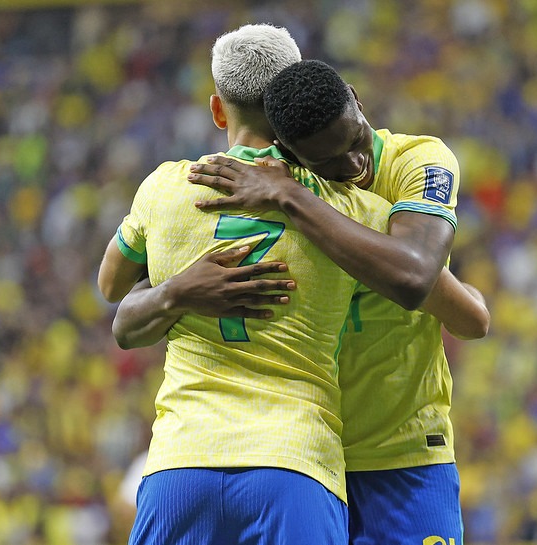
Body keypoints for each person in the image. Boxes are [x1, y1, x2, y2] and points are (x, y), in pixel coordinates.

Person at [99, 24, 395, 545]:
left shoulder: (165, 189)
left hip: (179, 465)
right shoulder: (352, 213)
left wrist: (175, 281)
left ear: (218, 110)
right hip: (294, 462)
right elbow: (436, 290)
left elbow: (110, 286)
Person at [186, 59, 489, 545]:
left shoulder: (418, 161)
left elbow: (412, 278)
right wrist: (172, 293)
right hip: (301, 459)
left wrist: (291, 198)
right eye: (328, 161)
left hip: (405, 454)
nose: (352, 164)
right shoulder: (258, 189)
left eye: (355, 139)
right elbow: (124, 298)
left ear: (358, 101)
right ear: (287, 151)